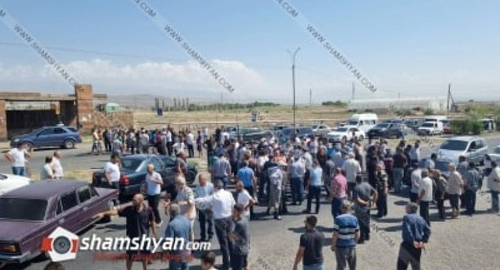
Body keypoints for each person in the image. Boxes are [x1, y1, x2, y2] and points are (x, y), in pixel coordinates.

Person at [93, 194, 157, 270]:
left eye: (134, 200)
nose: (132, 201)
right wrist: (104, 213)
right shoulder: (129, 209)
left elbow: (152, 221)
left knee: (144, 257)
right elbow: (116, 211)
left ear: (140, 201)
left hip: (144, 238)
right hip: (132, 238)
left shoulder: (148, 210)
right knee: (130, 257)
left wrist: (154, 234)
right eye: (133, 199)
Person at [195, 180, 235, 270]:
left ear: (216, 187)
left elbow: (204, 200)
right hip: (229, 218)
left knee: (223, 243)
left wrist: (193, 200)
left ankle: (226, 265)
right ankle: (233, 262)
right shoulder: (228, 193)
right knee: (230, 241)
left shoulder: (215, 196)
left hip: (219, 220)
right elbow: (233, 204)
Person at [397, 202, 431, 270]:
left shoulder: (407, 217)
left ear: (410, 208)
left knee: (402, 265)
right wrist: (423, 240)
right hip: (418, 245)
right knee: (416, 266)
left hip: (408, 244)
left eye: (406, 207)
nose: (405, 208)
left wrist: (412, 241)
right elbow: (428, 230)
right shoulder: (421, 218)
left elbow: (408, 230)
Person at [332, 200, 359, 270]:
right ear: (349, 208)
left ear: (341, 208)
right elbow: (357, 233)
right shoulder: (354, 218)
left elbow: (335, 234)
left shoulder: (338, 219)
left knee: (341, 266)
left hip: (341, 246)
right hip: (351, 245)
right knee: (352, 266)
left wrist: (333, 245)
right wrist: (355, 243)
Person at [164, 203, 192, 270]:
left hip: (176, 253)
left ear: (170, 212)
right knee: (185, 267)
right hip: (186, 250)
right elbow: (191, 235)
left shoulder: (171, 224)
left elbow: (168, 241)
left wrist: (165, 252)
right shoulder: (187, 220)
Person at [352, 175, 377, 244]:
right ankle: (367, 235)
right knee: (367, 221)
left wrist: (364, 203)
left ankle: (361, 239)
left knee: (361, 224)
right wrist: (374, 202)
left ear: (356, 180)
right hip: (368, 207)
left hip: (360, 208)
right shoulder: (367, 185)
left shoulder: (356, 188)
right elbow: (375, 193)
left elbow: (357, 199)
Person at [173, 177, 196, 241]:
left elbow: (191, 202)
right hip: (182, 214)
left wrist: (188, 214)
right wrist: (170, 203)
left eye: (176, 183)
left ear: (180, 184)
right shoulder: (179, 190)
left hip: (188, 215)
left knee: (189, 230)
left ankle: (192, 246)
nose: (175, 185)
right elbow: (177, 200)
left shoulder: (188, 191)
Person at [230, 203, 250, 270]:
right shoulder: (245, 219)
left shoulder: (239, 224)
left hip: (239, 251)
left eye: (234, 211)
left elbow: (232, 236)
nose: (233, 212)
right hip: (246, 247)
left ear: (240, 212)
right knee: (245, 265)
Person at [194, 174, 214, 241]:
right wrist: (196, 207)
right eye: (200, 181)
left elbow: (213, 196)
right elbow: (196, 197)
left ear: (205, 180)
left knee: (210, 222)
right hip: (201, 208)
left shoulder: (211, 186)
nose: (201, 182)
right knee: (202, 223)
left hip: (209, 207)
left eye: (202, 181)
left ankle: (210, 236)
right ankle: (203, 236)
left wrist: (211, 205)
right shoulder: (197, 188)